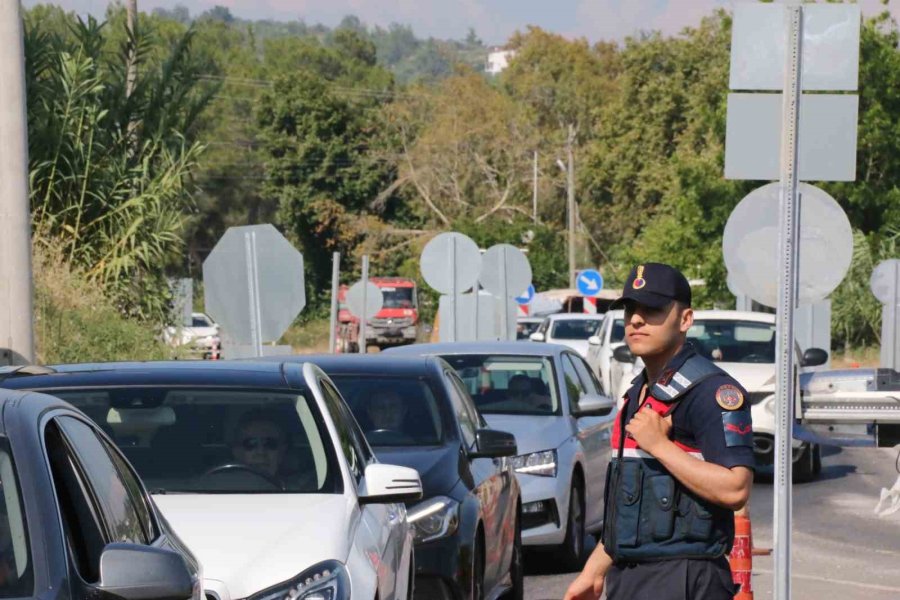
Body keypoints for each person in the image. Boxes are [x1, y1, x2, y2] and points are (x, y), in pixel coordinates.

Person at [564, 263, 754, 600]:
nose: (636, 320)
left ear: (685, 320)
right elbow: (631, 509)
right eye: (630, 310)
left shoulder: (710, 392)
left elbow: (735, 488)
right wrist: (593, 572)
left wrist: (661, 447)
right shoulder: (639, 392)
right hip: (631, 575)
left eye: (652, 310)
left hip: (684, 577)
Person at [231, 410, 290, 479]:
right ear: (236, 452)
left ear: (282, 451)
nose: (261, 452)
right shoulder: (219, 486)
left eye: (270, 443)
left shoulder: (299, 488)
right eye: (251, 443)